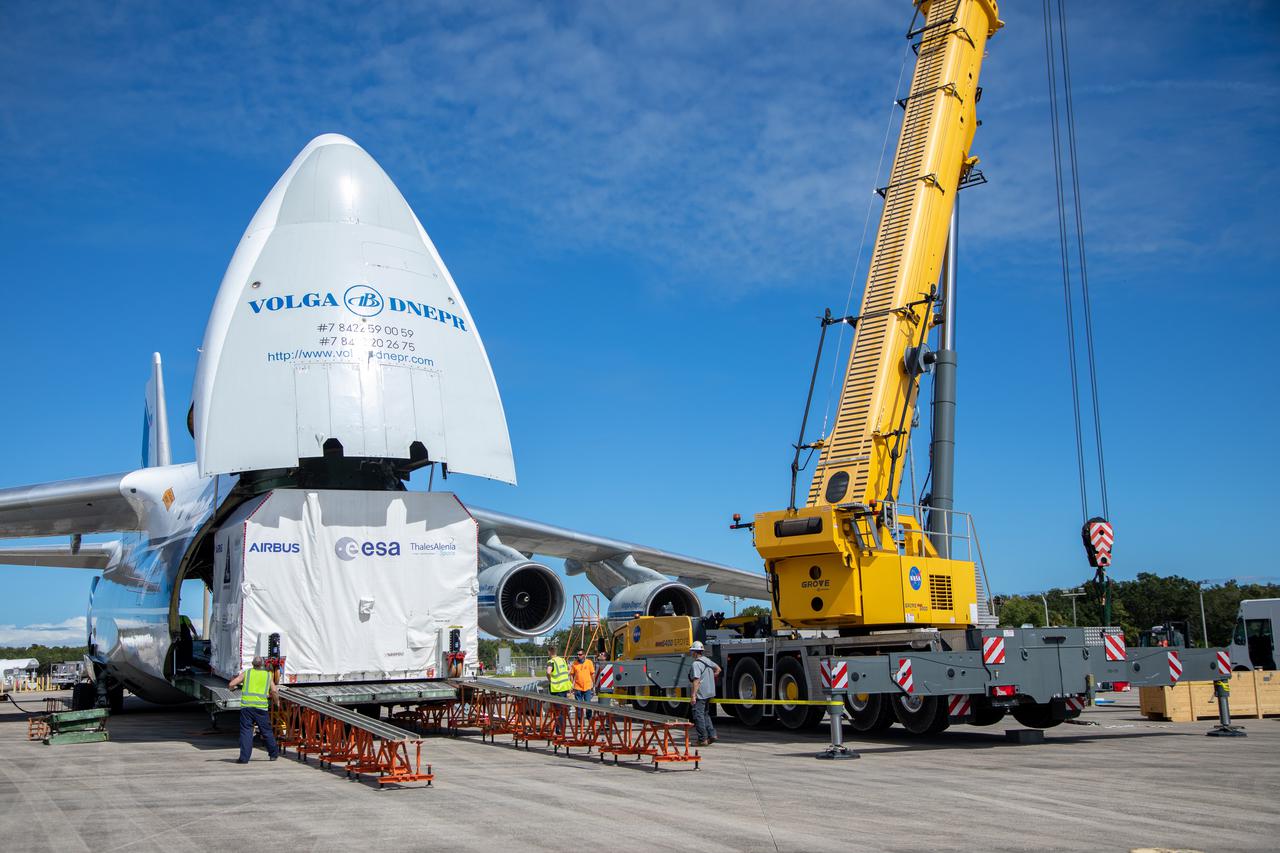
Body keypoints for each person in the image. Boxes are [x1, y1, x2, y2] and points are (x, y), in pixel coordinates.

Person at [228, 656, 279, 763]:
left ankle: (244, 758)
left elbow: (232, 684)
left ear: (252, 664)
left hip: (247, 708)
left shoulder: (248, 673)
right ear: (262, 664)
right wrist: (276, 702)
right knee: (266, 731)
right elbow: (274, 691)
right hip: (261, 709)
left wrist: (232, 688)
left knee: (246, 732)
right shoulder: (267, 675)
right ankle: (273, 754)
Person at [687, 641, 721, 746]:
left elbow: (696, 681)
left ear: (695, 652)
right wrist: (711, 677)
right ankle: (712, 735)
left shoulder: (696, 664)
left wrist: (693, 696)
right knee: (705, 714)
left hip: (701, 694)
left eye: (692, 651)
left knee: (698, 716)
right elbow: (718, 669)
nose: (691, 653)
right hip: (709, 692)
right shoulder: (707, 660)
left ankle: (702, 739)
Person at [546, 651, 572, 733]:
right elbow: (570, 669)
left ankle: (559, 729)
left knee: (558, 710)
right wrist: (564, 675)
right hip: (564, 687)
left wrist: (551, 680)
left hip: (556, 689)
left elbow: (548, 672)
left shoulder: (551, 662)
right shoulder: (563, 660)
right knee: (562, 709)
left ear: (549, 652)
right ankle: (561, 728)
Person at [569, 648, 595, 719]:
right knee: (579, 706)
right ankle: (580, 721)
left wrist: (594, 685)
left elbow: (592, 674)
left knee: (588, 704)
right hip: (578, 687)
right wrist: (572, 685)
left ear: (584, 655)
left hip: (587, 687)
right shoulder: (574, 663)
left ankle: (589, 719)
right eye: (577, 654)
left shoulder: (589, 662)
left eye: (580, 654)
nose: (578, 656)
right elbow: (571, 674)